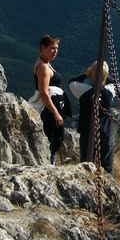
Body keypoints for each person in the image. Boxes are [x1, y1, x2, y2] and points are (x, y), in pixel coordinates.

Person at [70, 61, 116, 172]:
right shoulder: (110, 91)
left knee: (86, 162)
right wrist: (104, 73)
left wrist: (86, 74)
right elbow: (113, 83)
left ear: (91, 73)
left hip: (88, 130)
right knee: (107, 165)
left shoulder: (83, 90)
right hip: (106, 130)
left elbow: (72, 82)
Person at [32, 35, 66, 164]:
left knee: (54, 142)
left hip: (51, 109)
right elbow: (44, 93)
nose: (55, 51)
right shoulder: (44, 68)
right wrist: (56, 114)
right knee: (52, 142)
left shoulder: (46, 64)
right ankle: (50, 167)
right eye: (52, 48)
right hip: (49, 112)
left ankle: (51, 165)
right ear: (43, 48)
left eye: (56, 48)